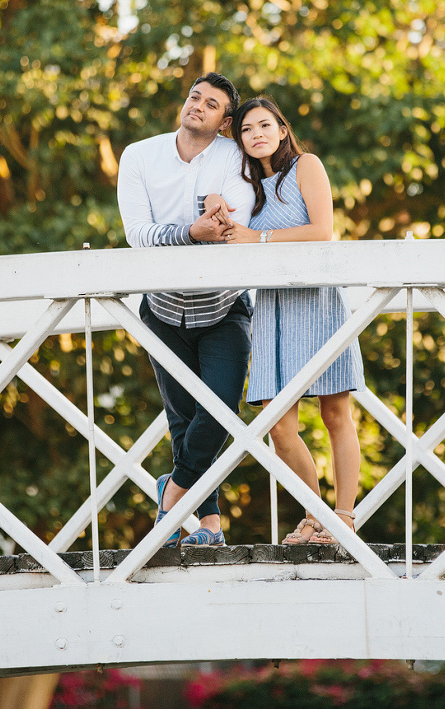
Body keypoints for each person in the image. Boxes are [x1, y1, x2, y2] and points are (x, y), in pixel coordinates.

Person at [205, 96, 365, 545]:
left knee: (335, 413)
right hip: (273, 307)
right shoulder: (247, 187)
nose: (256, 135)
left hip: (317, 302)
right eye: (246, 130)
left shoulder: (306, 167)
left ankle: (343, 517)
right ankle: (316, 515)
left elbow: (322, 231)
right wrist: (214, 198)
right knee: (278, 425)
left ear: (281, 129)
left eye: (264, 126)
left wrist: (260, 238)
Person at [116, 72, 256, 548]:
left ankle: (172, 495)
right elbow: (138, 233)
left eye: (211, 104)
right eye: (195, 96)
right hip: (163, 308)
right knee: (184, 421)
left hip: (223, 308)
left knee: (218, 411)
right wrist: (191, 231)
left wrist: (212, 214)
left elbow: (235, 215)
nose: (197, 105)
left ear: (224, 122)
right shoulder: (139, 155)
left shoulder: (236, 157)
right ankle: (211, 527)